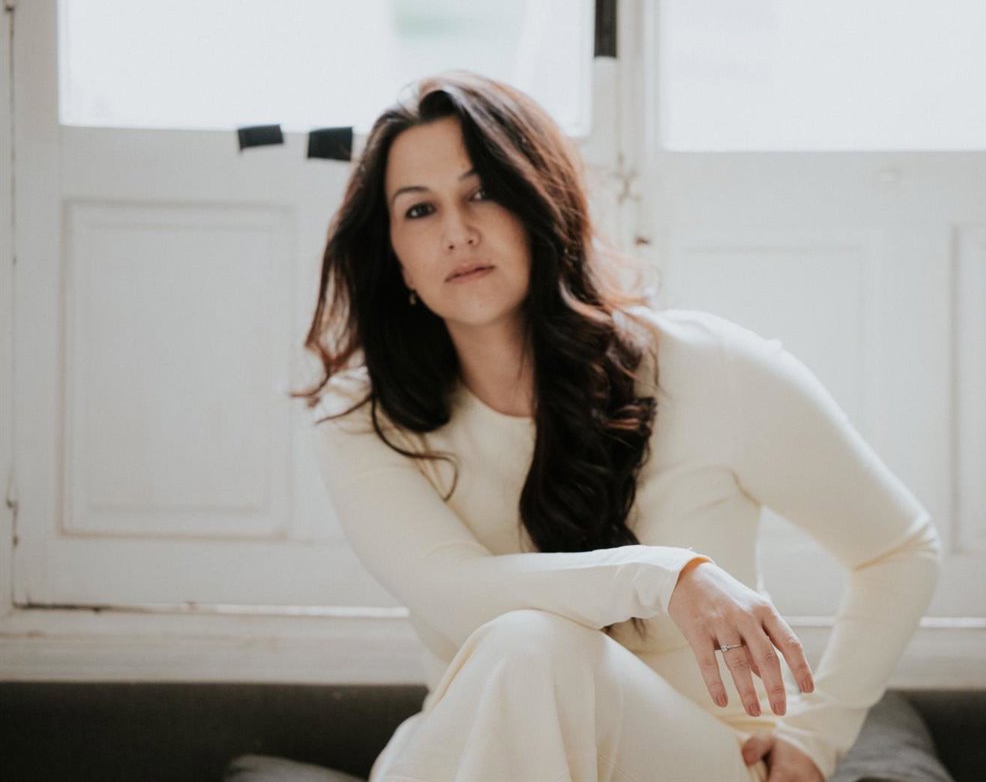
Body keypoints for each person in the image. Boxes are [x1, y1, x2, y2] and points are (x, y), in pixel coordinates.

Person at [298, 70, 941, 782]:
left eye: (482, 192)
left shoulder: (708, 369)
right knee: (523, 647)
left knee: (532, 646)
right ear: (395, 258)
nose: (457, 232)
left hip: (695, 761)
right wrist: (668, 578)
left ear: (541, 203)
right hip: (475, 754)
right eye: (420, 210)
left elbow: (898, 549)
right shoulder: (363, 420)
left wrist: (818, 737)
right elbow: (456, 591)